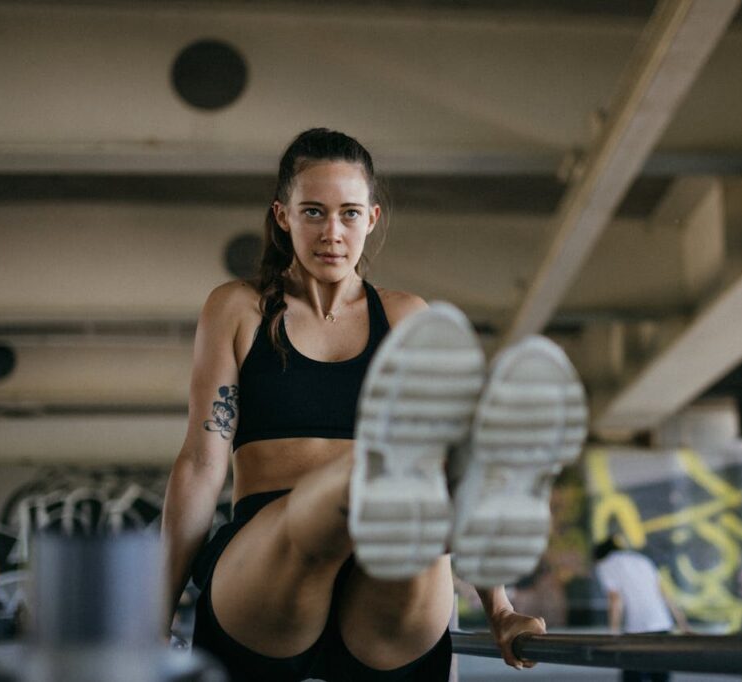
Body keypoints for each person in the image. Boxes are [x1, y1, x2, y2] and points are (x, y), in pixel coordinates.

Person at [162, 128, 588, 681]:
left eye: (349, 214)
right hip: (268, 560)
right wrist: (152, 618)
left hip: (385, 576)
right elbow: (201, 464)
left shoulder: (407, 317)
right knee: (324, 515)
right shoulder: (237, 309)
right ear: (282, 216)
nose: (332, 232)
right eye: (313, 212)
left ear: (372, 218)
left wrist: (501, 610)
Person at [592, 536, 689, 682]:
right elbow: (665, 594)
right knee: (660, 677)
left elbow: (615, 600)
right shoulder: (642, 560)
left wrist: (613, 633)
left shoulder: (606, 564)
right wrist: (683, 625)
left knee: (632, 676)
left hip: (637, 631)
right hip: (663, 626)